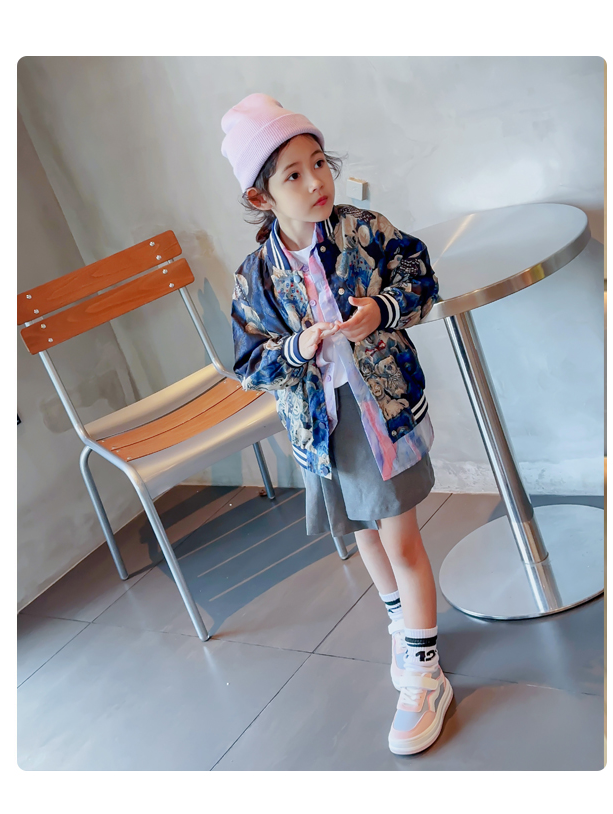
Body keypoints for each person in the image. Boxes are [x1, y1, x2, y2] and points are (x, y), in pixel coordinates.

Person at [223, 93, 452, 756]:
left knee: (401, 540)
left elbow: (419, 273)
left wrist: (382, 309)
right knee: (363, 533)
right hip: (323, 428)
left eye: (319, 162)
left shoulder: (362, 229)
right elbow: (250, 363)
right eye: (293, 174)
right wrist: (297, 348)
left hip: (383, 411)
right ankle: (402, 627)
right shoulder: (256, 277)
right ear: (261, 196)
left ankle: (427, 674)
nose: (316, 181)